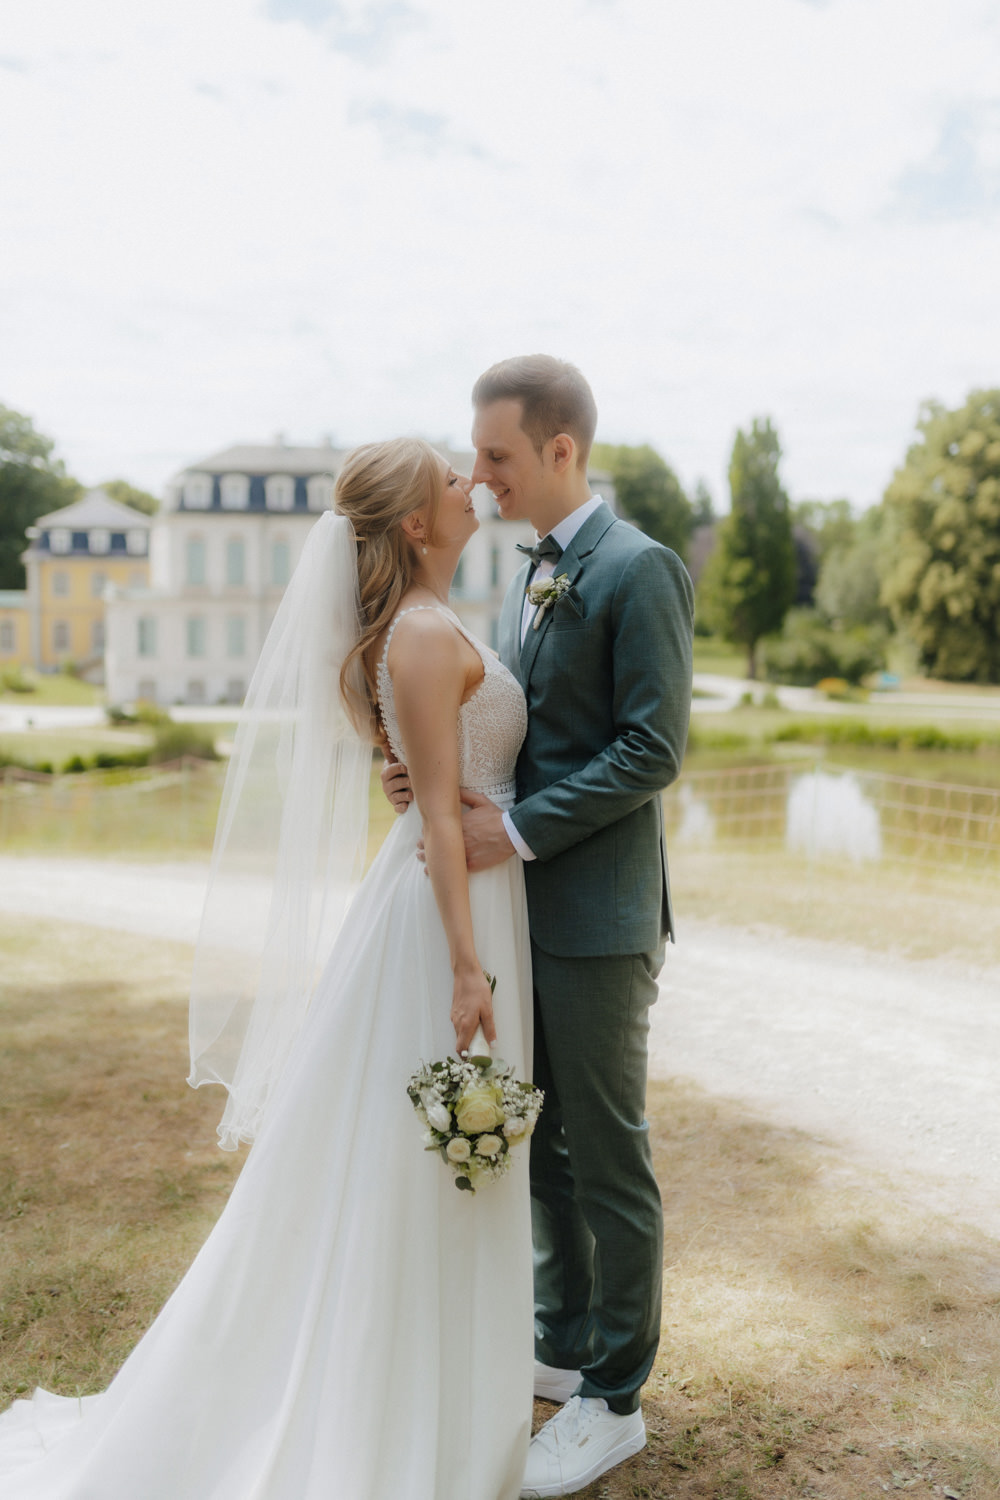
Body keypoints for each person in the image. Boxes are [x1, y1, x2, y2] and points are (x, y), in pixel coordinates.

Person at [0, 438, 535, 1499]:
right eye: (449, 478)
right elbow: (437, 816)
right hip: (448, 917)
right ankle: (392, 1414)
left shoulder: (424, 626)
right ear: (415, 524)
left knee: (435, 1151)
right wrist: (466, 968)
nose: (470, 482)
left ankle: (438, 1396)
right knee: (429, 1152)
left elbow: (426, 777)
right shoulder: (424, 634)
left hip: (464, 896)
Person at [384, 357, 694, 1498]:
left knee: (609, 1156)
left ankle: (616, 1399)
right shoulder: (531, 572)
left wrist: (507, 832)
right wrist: (442, 788)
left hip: (600, 917)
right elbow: (529, 735)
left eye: (497, 455)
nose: (479, 476)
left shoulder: (640, 568)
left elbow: (651, 749)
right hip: (526, 913)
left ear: (561, 449)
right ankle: (562, 1346)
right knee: (545, 1146)